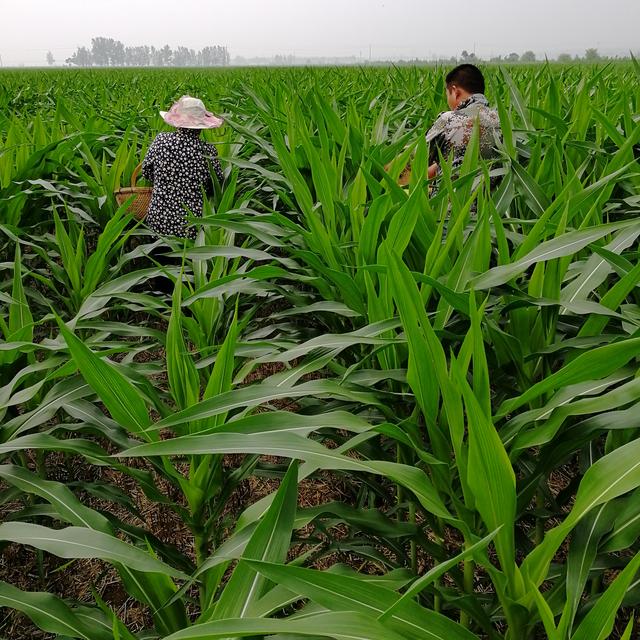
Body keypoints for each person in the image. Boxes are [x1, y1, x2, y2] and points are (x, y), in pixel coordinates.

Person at [393, 64, 501, 190]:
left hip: (449, 205)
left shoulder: (449, 119)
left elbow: (414, 158)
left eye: (447, 95)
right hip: (493, 203)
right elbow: (463, 159)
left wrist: (380, 169)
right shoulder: (500, 121)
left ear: (455, 92)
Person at [142, 95, 225, 239]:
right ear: (201, 126)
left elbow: (146, 172)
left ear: (177, 122)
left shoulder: (161, 141)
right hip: (193, 227)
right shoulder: (208, 151)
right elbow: (217, 184)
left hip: (158, 221)